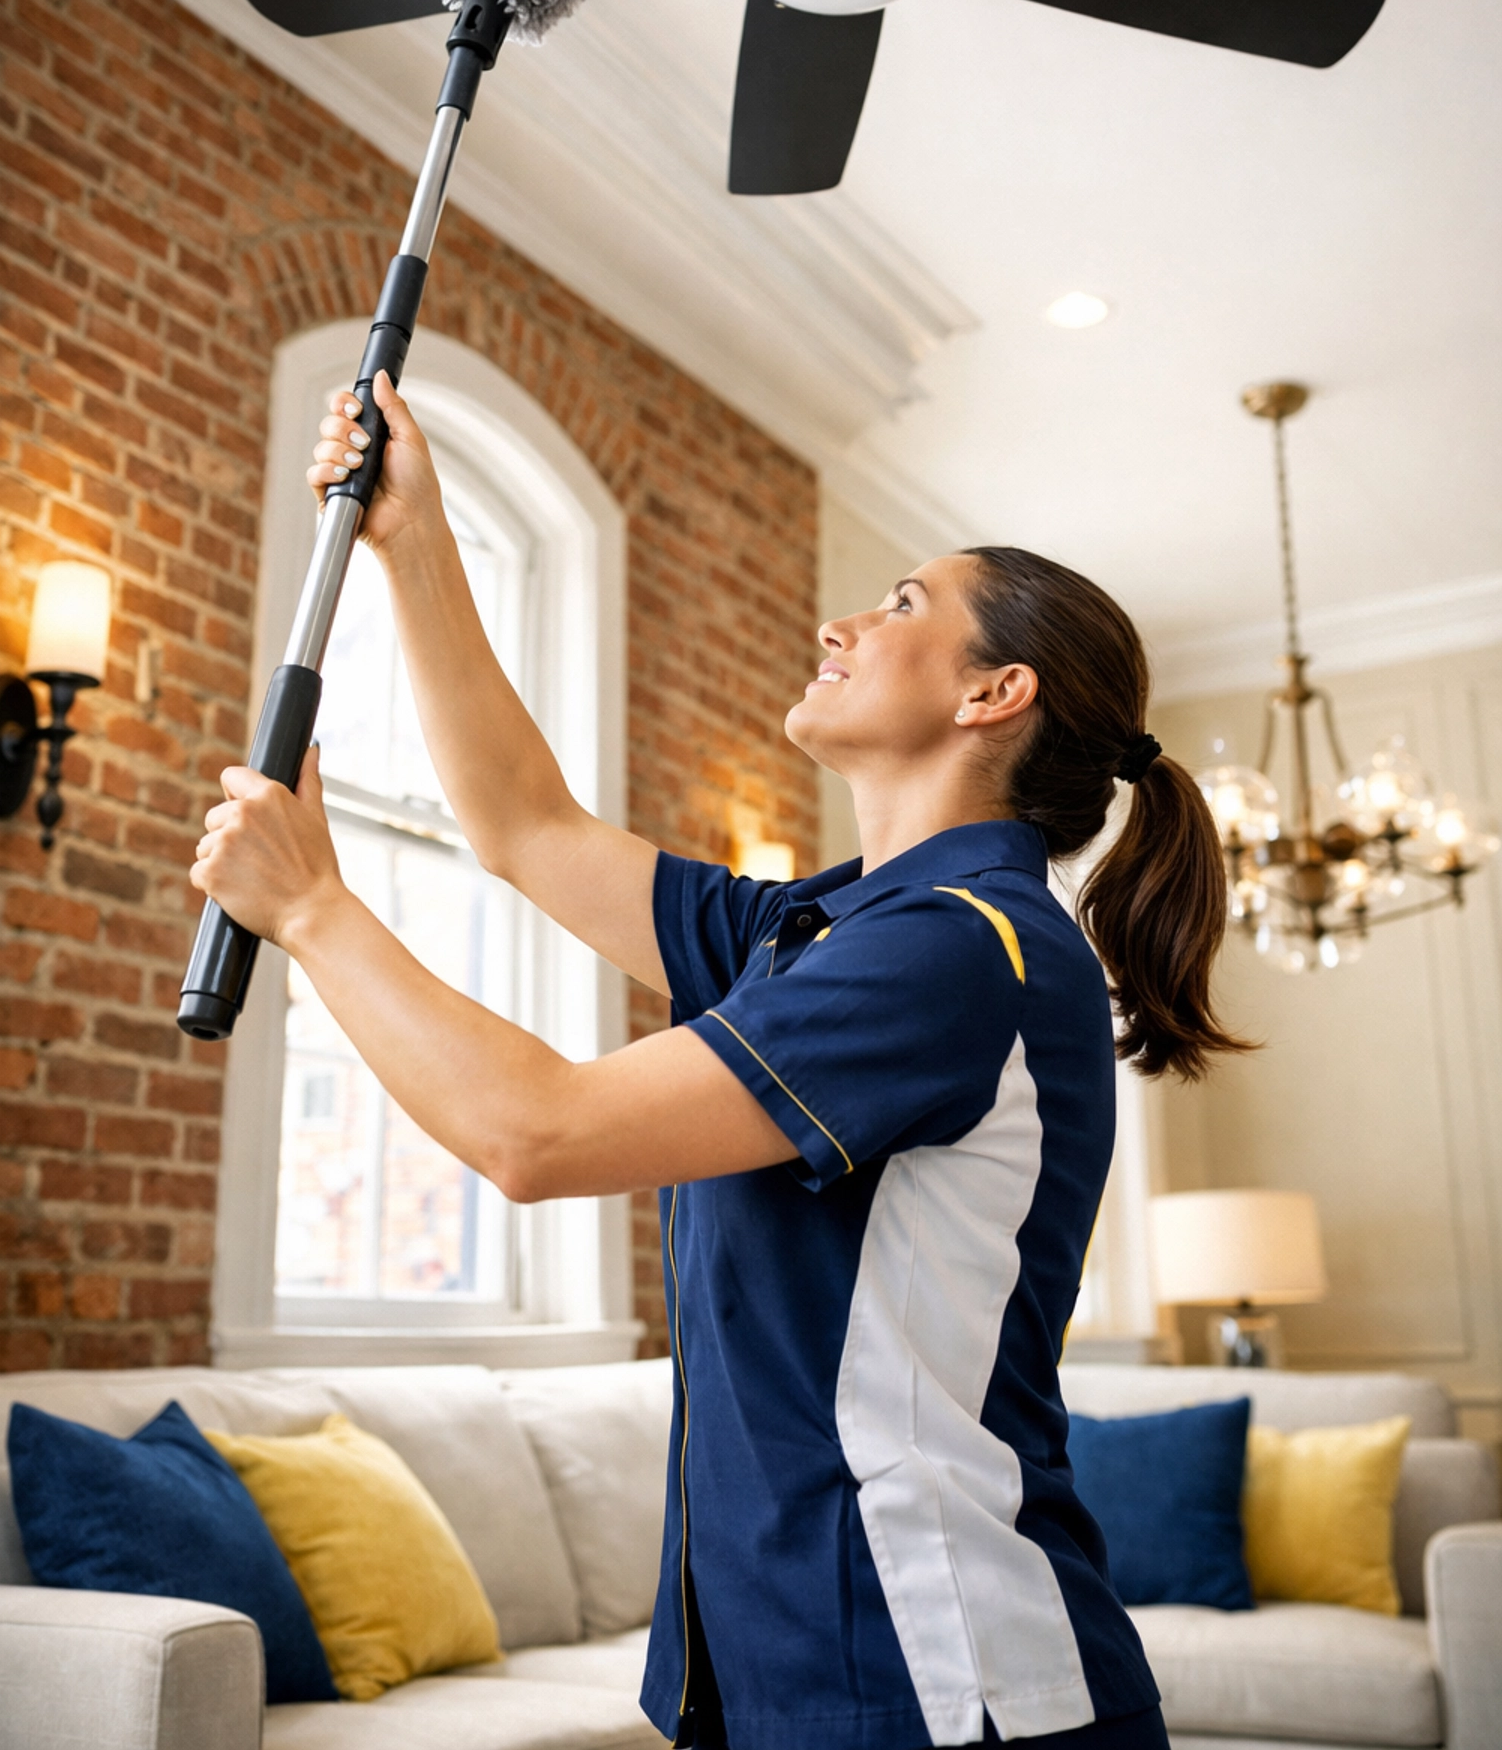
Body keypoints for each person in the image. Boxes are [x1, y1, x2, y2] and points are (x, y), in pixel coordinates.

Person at [193, 368, 1240, 1750]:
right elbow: (523, 824)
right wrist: (415, 536)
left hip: (932, 1680)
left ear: (997, 691)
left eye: (904, 603)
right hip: (776, 1660)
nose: (845, 621)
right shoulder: (817, 929)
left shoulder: (959, 951)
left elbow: (537, 1135)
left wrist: (316, 912)